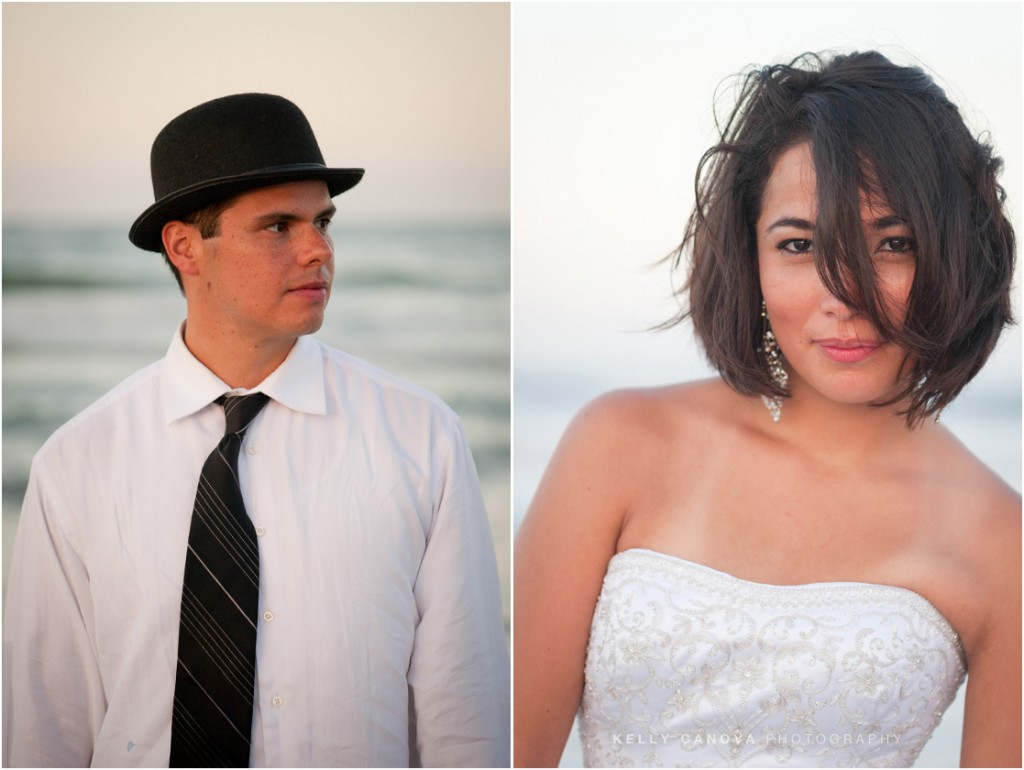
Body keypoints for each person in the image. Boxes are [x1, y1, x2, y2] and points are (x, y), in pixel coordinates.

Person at [514, 51, 1019, 768]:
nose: (844, 294)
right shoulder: (619, 445)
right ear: (749, 259)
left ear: (954, 254)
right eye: (800, 244)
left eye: (893, 243)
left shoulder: (1004, 544)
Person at [3, 93, 510, 768]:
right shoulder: (75, 465)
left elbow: (464, 719)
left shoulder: (422, 441)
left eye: (323, 222)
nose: (317, 250)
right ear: (185, 247)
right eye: (278, 227)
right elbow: (44, 727)